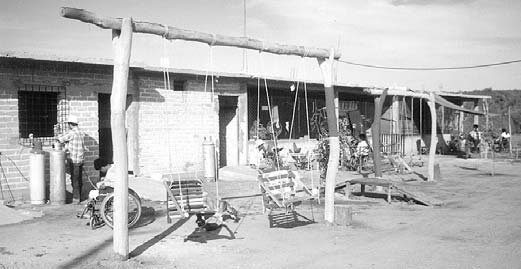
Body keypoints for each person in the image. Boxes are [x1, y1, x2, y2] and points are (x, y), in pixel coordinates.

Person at [57, 115, 86, 203]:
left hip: (73, 160)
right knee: (79, 179)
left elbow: (60, 139)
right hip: (80, 159)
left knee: (74, 179)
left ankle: (76, 198)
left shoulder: (71, 133)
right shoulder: (81, 132)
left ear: (70, 124)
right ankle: (79, 196)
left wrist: (57, 132)